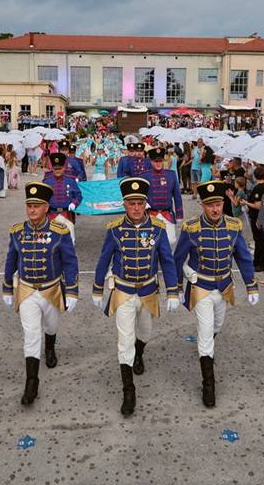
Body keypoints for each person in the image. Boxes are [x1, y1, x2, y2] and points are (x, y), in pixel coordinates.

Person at [93, 177, 178, 416]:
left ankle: (140, 352)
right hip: (123, 290)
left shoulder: (158, 229)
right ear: (125, 204)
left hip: (149, 290)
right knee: (125, 340)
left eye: (140, 203)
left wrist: (172, 290)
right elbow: (104, 260)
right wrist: (97, 287)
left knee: (145, 332)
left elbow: (167, 262)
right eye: (131, 203)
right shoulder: (114, 229)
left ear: (146, 203)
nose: (136, 208)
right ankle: (128, 391)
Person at [174, 180, 258, 407]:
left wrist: (251, 284)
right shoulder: (191, 228)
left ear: (223, 203)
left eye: (218, 203)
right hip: (200, 286)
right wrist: (177, 288)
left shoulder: (233, 226)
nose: (215, 209)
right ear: (202, 205)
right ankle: (208, 384)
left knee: (216, 326)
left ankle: (206, 347)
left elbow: (242, 257)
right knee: (205, 329)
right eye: (210, 204)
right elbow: (178, 258)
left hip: (224, 287)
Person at [3, 182, 80, 405]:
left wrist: (73, 291)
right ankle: (32, 383)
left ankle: (50, 346)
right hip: (27, 290)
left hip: (52, 290)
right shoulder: (17, 232)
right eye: (29, 205)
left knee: (51, 326)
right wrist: (8, 286)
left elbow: (70, 262)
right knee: (31, 334)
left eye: (37, 206)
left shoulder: (59, 232)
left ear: (47, 207)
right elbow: (11, 261)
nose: (32, 210)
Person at [142, 148, 184, 246]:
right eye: (155, 161)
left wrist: (179, 215)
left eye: (160, 161)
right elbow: (141, 196)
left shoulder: (171, 175)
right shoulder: (144, 176)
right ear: (151, 162)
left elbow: (177, 196)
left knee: (171, 241)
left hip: (167, 214)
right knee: (150, 243)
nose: (158, 163)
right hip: (151, 215)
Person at [241, 166, 264, 276]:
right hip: (261, 217)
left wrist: (246, 203)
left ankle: (261, 263)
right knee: (259, 240)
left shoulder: (258, 188)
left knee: (259, 240)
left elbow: (257, 205)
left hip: (257, 217)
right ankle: (257, 261)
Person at [43, 153, 82, 224]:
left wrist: (74, 204)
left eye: (60, 168)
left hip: (67, 214)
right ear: (52, 169)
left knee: (68, 234)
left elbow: (78, 195)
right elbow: (42, 198)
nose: (57, 171)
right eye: (55, 169)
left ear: (64, 168)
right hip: (51, 215)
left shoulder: (71, 181)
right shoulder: (47, 182)